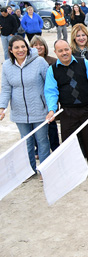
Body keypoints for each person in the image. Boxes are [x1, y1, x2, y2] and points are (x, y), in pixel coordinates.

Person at [44, 39, 88, 177]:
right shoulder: (52, 70)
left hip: (87, 109)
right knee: (68, 142)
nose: (64, 53)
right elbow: (51, 92)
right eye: (60, 51)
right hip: (67, 111)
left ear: (70, 49)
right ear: (56, 53)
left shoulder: (84, 63)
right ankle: (72, 169)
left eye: (66, 49)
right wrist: (52, 109)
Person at [0, 35, 50, 173]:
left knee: (42, 141)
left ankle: (44, 170)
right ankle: (29, 169)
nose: (20, 50)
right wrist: (2, 107)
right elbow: (5, 89)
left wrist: (51, 106)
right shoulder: (7, 66)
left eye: (23, 46)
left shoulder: (39, 62)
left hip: (39, 109)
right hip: (19, 112)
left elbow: (49, 85)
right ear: (10, 50)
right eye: (16, 47)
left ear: (27, 48)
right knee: (25, 142)